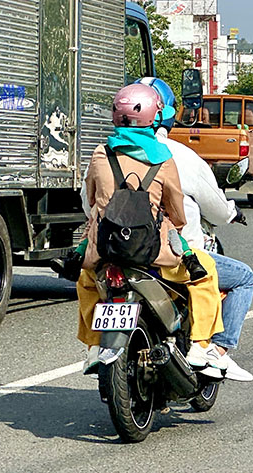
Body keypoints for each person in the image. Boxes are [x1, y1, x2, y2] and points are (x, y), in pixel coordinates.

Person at [76, 83, 224, 375]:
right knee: (204, 275)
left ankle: (94, 346)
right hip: (154, 254)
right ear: (154, 118)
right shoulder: (163, 158)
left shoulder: (100, 154)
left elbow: (91, 199)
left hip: (108, 252)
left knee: (86, 279)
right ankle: (199, 346)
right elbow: (177, 213)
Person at [135, 76, 253, 382]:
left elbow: (89, 204)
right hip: (173, 256)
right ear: (167, 115)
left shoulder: (106, 153)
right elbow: (212, 208)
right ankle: (216, 351)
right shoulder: (180, 157)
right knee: (243, 278)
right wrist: (230, 211)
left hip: (119, 253)